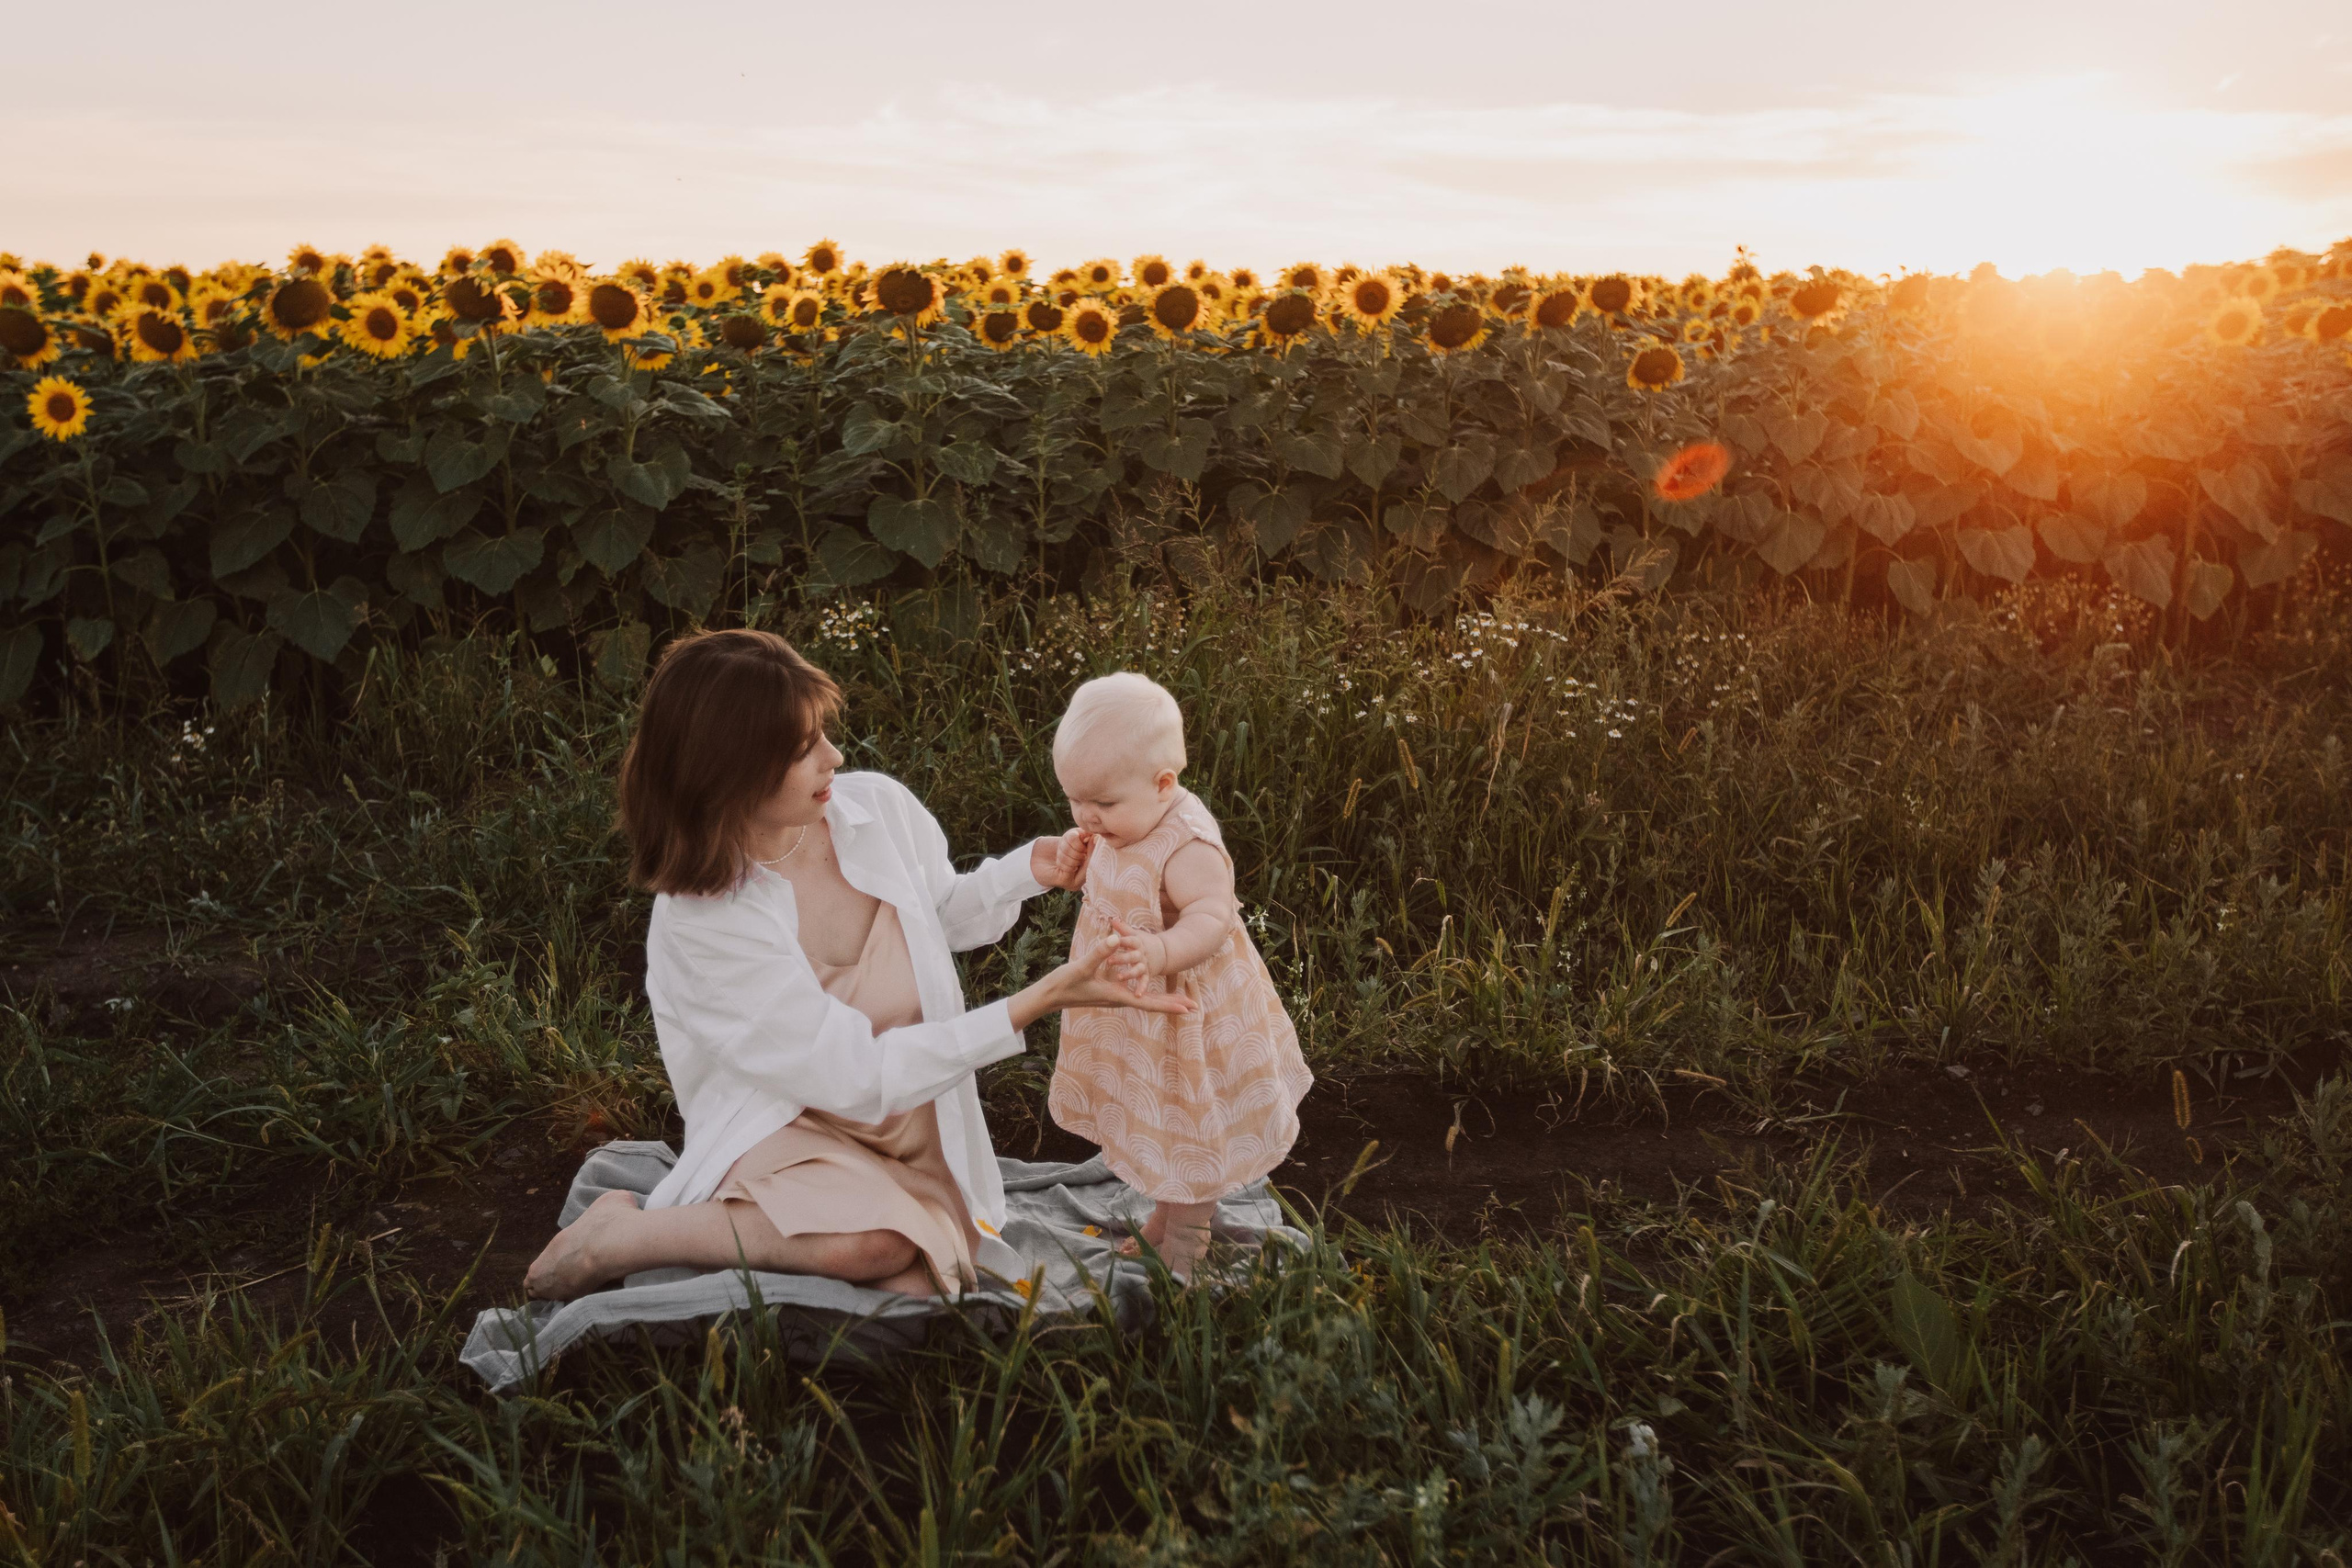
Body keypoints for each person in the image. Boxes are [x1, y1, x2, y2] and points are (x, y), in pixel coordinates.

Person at [524, 630, 1191, 1302]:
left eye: (822, 733)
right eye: (802, 749)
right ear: (728, 773)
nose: (834, 757)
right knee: (879, 1247)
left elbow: (941, 915)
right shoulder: (702, 921)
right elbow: (856, 1076)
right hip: (789, 1124)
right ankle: (621, 1237)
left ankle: (862, 1228)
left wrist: (1026, 871)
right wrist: (1042, 998)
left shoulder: (875, 807)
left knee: (928, 1278)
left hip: (906, 1116)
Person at [1046, 672, 1314, 1278]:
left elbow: (1212, 917)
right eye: (1074, 800)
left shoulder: (1187, 844)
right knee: (1158, 1121)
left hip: (1188, 1016)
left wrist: (1162, 951)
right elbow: (1104, 867)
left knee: (1188, 1126)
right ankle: (1164, 1218)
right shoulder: (1118, 818)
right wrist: (1075, 855)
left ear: (1163, 783)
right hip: (1137, 1014)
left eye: (1102, 804)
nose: (1087, 815)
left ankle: (1186, 1251)